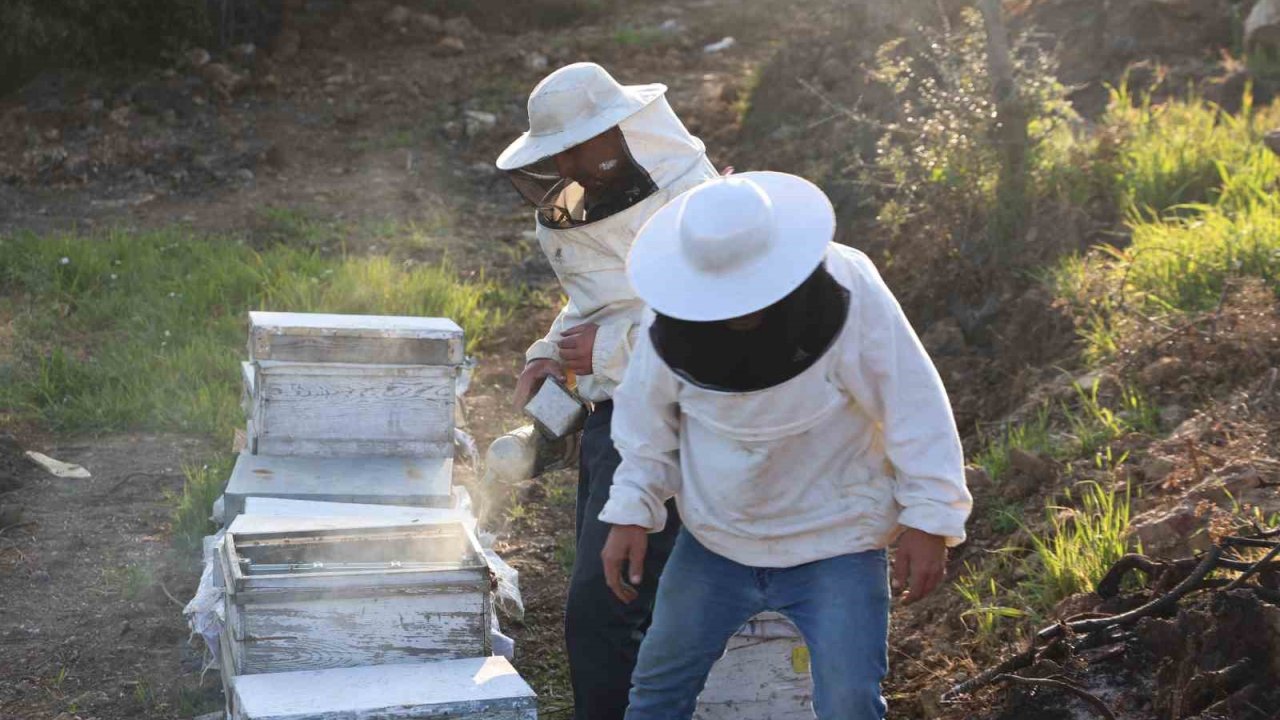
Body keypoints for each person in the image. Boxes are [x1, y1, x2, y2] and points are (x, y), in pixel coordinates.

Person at [597, 172, 973, 719]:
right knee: (655, 694)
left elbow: (912, 402)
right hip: (715, 542)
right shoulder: (669, 313)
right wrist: (631, 511)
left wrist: (931, 517)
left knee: (851, 705)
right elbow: (645, 426)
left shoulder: (851, 286)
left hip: (838, 540)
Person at [495, 62, 720, 720]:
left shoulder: (697, 204)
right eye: (555, 150)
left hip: (695, 419)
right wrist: (547, 352)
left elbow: (724, 321)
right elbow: (597, 299)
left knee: (610, 607)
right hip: (616, 422)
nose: (565, 161)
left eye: (578, 143)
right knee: (603, 599)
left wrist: (615, 348)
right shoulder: (582, 201)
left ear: (621, 130)